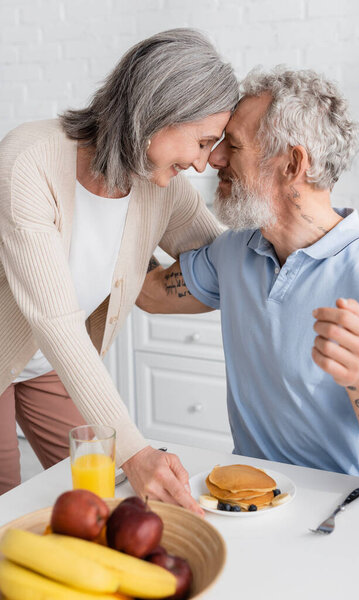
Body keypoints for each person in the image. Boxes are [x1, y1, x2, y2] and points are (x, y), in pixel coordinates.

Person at [0, 28, 239, 508]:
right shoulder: (30, 160)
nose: (201, 164)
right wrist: (134, 448)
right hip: (26, 348)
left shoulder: (161, 187)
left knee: (101, 497)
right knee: (9, 510)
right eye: (203, 142)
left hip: (51, 367)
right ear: (159, 113)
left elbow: (224, 256)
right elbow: (56, 320)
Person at [137, 66, 359, 491]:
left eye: (233, 145)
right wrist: (126, 201)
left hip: (342, 508)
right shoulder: (236, 250)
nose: (214, 158)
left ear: (293, 163)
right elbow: (149, 295)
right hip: (249, 494)